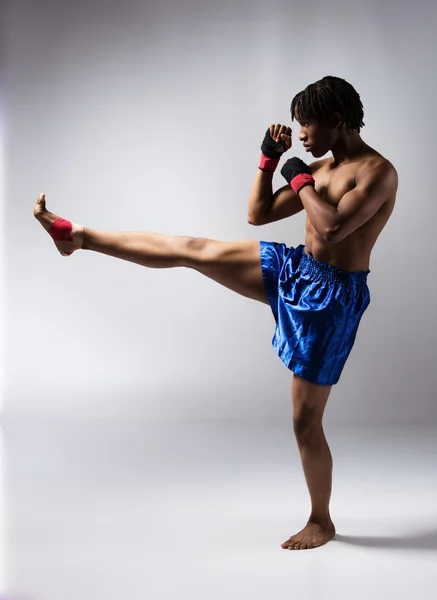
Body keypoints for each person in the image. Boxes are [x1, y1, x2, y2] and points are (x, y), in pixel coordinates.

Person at [33, 75, 398, 551]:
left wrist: (301, 179)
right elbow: (257, 213)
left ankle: (321, 519)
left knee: (305, 422)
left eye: (307, 126)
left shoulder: (377, 172)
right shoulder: (321, 169)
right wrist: (268, 163)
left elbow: (331, 229)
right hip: (298, 269)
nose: (302, 135)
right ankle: (76, 235)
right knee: (195, 248)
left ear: (336, 121)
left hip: (333, 299)